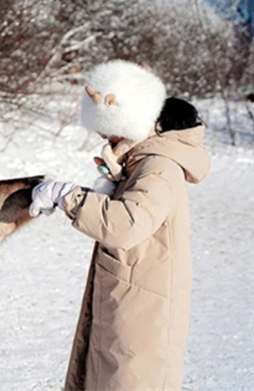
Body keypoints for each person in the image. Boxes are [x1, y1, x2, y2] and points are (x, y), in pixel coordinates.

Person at [29, 60, 210, 391]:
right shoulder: (143, 163)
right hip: (129, 301)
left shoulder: (159, 168)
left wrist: (67, 195)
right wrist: (117, 180)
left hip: (142, 313)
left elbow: (127, 225)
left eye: (110, 130)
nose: (105, 138)